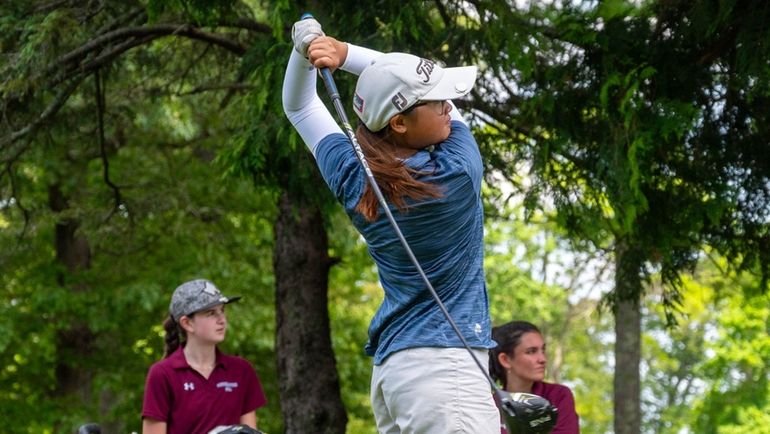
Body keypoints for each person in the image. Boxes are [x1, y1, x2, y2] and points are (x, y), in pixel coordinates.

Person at [283, 18, 499, 434]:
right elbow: (450, 103)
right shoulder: (454, 172)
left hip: (396, 374)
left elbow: (300, 107)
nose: (447, 107)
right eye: (435, 102)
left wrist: (302, 50)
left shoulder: (353, 175)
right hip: (447, 373)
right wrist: (344, 52)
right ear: (399, 123)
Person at [141, 279, 267, 434]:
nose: (222, 320)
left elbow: (249, 431)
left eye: (222, 311)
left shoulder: (242, 370)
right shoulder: (162, 374)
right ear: (187, 323)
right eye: (211, 313)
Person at [489, 321, 580, 434]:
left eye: (543, 350)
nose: (542, 359)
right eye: (531, 352)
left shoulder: (558, 395)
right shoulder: (489, 406)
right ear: (505, 360)